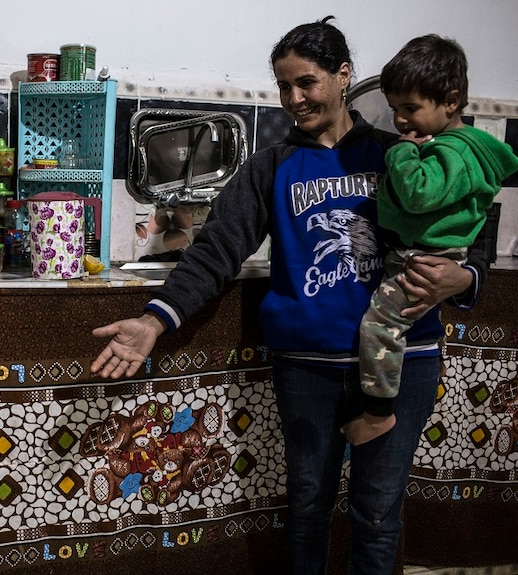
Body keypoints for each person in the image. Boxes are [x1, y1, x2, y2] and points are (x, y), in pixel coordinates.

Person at [91, 17, 487, 575]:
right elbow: (217, 250)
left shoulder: (400, 154)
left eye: (307, 82)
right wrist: (155, 321)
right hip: (308, 367)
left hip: (406, 362)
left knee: (378, 514)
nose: (294, 98)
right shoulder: (273, 166)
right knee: (306, 507)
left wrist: (464, 279)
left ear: (343, 75)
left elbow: (473, 236)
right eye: (283, 86)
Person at [344, 35, 518, 446]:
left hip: (421, 259)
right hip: (421, 255)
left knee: (380, 327)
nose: (400, 121)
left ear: (451, 101)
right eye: (394, 110)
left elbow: (420, 193)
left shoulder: (452, 152)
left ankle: (378, 413)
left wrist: (401, 153)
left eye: (411, 109)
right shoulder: (450, 146)